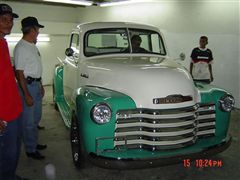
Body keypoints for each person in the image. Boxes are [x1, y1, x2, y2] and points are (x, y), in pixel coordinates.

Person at [0, 3, 27, 180]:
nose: (9, 23)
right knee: (6, 154)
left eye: (10, 20)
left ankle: (10, 175)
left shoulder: (3, 42)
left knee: (15, 150)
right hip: (4, 116)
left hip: (14, 110)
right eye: (3, 20)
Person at [14, 16, 47, 160]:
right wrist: (26, 94)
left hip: (36, 85)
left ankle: (33, 142)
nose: (39, 31)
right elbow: (19, 72)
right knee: (28, 121)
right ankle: (30, 149)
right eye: (38, 29)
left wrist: (40, 84)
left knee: (36, 118)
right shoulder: (21, 47)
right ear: (32, 29)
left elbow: (36, 68)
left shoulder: (32, 45)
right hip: (27, 87)